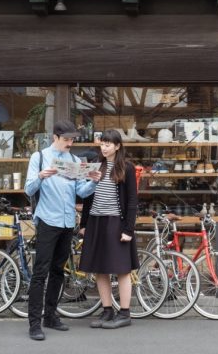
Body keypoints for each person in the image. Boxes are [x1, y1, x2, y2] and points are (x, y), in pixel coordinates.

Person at [24, 120, 101, 341]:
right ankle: (34, 323)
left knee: (59, 271)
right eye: (66, 139)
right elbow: (28, 189)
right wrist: (42, 176)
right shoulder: (39, 157)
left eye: (72, 139)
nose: (70, 143)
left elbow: (81, 192)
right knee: (40, 272)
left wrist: (94, 182)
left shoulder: (75, 160)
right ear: (55, 137)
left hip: (68, 223)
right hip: (48, 221)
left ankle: (50, 316)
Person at [78, 128, 140, 329]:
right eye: (102, 144)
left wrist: (128, 229)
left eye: (108, 144)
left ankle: (124, 313)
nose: (103, 148)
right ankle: (107, 310)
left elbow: (132, 201)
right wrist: (84, 224)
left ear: (117, 146)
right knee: (99, 268)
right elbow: (88, 196)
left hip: (116, 222)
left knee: (122, 270)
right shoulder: (95, 166)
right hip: (96, 221)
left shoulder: (127, 168)